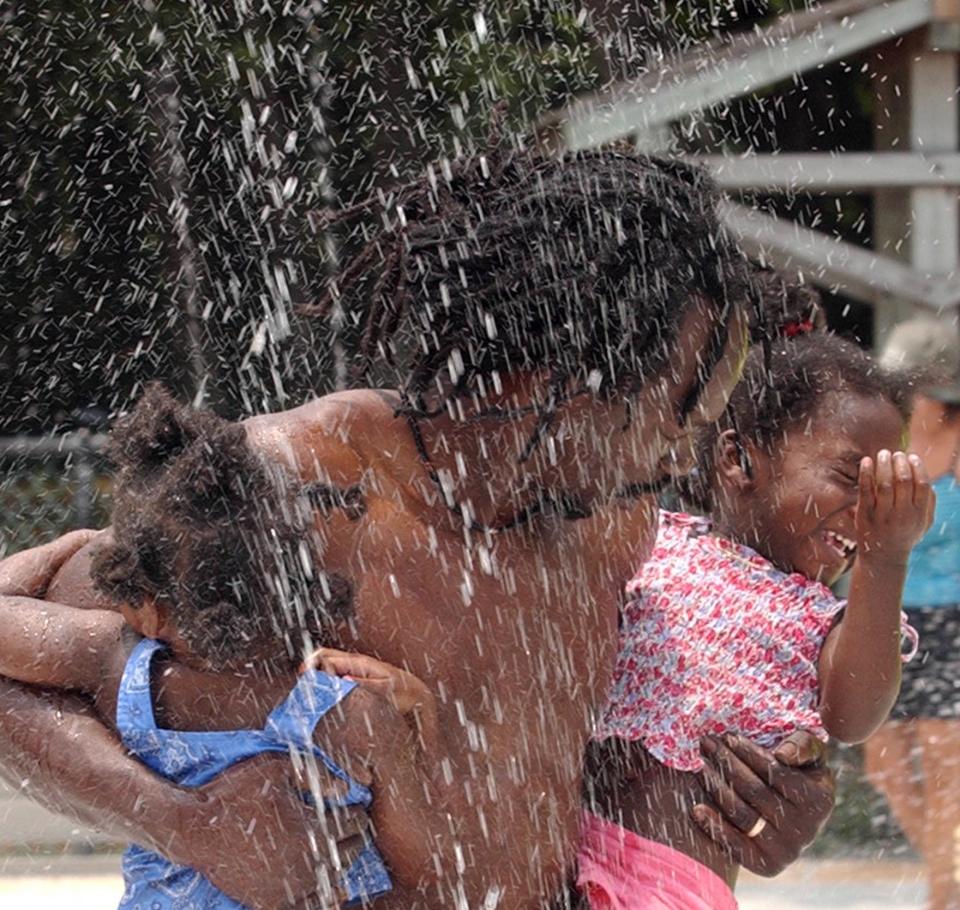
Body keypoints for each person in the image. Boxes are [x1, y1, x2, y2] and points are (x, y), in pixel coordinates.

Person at [0, 147, 833, 909]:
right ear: (567, 373)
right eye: (682, 405)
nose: (690, 444)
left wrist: (763, 805)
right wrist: (183, 823)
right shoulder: (299, 488)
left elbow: (608, 757)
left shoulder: (616, 525)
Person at [0, 387, 448, 907]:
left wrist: (67, 545)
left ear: (145, 602)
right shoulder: (353, 715)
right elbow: (426, 873)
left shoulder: (118, 668)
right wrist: (424, 719)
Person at [579, 328, 931, 910]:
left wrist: (886, 557)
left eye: (881, 495)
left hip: (668, 885)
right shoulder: (653, 540)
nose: (866, 512)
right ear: (739, 460)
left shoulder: (824, 619)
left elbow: (852, 716)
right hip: (561, 852)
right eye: (850, 479)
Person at [865, 317, 960, 910]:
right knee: (883, 764)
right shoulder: (884, 435)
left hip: (954, 614)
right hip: (888, 613)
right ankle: (947, 873)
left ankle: (940, 895)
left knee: (945, 767)